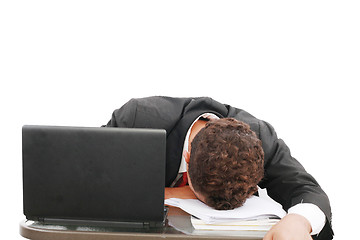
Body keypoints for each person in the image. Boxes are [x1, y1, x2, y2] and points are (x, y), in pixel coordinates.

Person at [103, 96, 333, 240]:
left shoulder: (261, 138)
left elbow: (307, 190)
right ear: (188, 155)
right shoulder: (137, 119)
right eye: (197, 198)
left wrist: (298, 221)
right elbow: (86, 178)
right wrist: (166, 195)